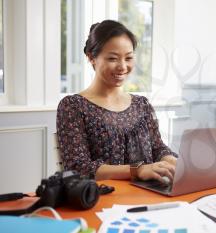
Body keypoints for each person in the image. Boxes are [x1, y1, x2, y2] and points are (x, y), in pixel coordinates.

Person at [56, 20, 177, 183]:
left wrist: (173, 162)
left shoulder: (141, 104)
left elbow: (158, 148)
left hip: (150, 192)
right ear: (91, 57)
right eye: (113, 58)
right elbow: (79, 167)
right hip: (103, 198)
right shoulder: (73, 106)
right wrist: (137, 170)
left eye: (128, 58)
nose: (122, 66)